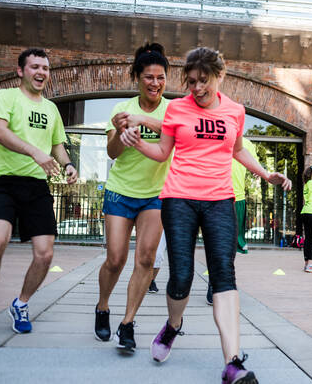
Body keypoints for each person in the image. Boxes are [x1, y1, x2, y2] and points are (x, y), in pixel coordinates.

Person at [120, 47, 290, 383]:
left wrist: (265, 174)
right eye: (192, 81)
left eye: (204, 81)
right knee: (180, 276)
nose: (197, 88)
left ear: (220, 76)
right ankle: (173, 325)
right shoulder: (177, 110)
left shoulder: (235, 112)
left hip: (219, 201)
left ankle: (233, 363)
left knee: (223, 275)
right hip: (179, 199)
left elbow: (238, 148)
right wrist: (136, 142)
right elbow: (162, 152)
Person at [0, 48, 78, 337]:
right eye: (35, 67)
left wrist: (69, 164)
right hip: (3, 183)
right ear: (20, 71)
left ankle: (21, 304)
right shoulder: (4, 98)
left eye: (45, 68)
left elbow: (57, 145)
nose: (41, 73)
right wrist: (34, 152)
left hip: (36, 186)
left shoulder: (50, 109)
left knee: (45, 254)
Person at [94, 42, 172, 352]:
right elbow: (112, 152)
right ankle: (102, 306)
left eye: (161, 77)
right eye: (149, 77)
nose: (155, 83)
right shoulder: (121, 110)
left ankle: (127, 323)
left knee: (146, 258)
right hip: (121, 191)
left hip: (155, 194)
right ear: (137, 77)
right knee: (115, 259)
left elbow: (175, 135)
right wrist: (119, 133)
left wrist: (142, 123)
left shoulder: (172, 110)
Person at [207, 137, 257, 305]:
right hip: (217, 195)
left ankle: (222, 282)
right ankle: (213, 285)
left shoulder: (248, 144)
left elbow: (254, 167)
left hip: (238, 198)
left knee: (230, 246)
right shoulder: (218, 136)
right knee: (216, 243)